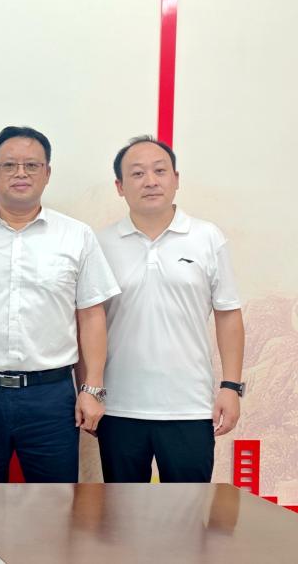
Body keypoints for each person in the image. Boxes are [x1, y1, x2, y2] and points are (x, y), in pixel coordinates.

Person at [0, 126, 120, 483]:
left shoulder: (76, 236)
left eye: (32, 165)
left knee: (55, 504)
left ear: (47, 173)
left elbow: (92, 316)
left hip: (51, 396)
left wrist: (91, 389)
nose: (21, 173)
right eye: (9, 165)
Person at [96, 135, 245, 482]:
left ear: (176, 179)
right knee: (121, 509)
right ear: (119, 186)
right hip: (118, 407)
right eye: (137, 173)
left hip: (189, 406)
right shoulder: (100, 243)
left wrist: (231, 386)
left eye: (160, 171)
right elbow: (89, 322)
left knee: (188, 509)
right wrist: (90, 393)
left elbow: (228, 315)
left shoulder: (207, 237)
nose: (150, 181)